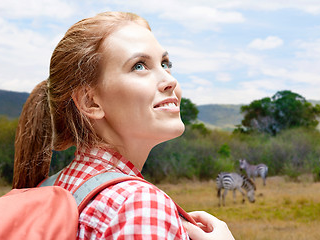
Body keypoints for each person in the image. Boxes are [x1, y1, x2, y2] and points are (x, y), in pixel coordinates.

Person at [12, 11, 235, 240]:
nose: (170, 80)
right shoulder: (140, 205)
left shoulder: (51, 187)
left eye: (165, 63)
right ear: (91, 102)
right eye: (139, 66)